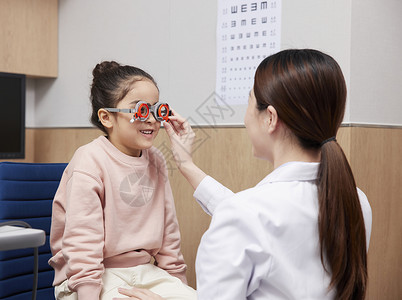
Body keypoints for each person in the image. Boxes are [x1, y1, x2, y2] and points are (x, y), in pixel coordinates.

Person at [118, 49, 372, 300]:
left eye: (249, 102)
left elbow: (248, 218)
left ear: (270, 118)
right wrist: (185, 164)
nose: (245, 118)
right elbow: (254, 218)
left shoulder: (246, 214)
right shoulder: (355, 201)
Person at [48, 61, 197, 300]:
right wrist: (88, 294)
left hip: (145, 271)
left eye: (156, 110)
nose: (151, 119)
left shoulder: (156, 160)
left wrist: (180, 286)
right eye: (140, 110)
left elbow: (168, 231)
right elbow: (82, 240)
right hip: (88, 276)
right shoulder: (89, 160)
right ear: (107, 117)